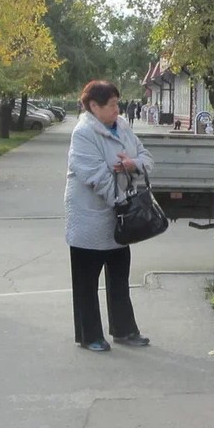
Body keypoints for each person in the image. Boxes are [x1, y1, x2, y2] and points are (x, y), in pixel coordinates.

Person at [64, 80, 153, 352]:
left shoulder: (122, 126)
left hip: (119, 216)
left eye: (117, 103)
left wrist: (132, 164)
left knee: (119, 277)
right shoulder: (83, 133)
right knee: (86, 282)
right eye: (112, 105)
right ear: (94, 106)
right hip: (90, 217)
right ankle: (89, 335)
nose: (118, 109)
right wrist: (123, 202)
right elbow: (97, 176)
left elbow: (146, 158)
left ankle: (124, 330)